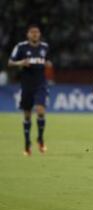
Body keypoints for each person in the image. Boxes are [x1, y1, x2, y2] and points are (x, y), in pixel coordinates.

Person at [8, 24, 51, 156]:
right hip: (27, 85)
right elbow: (10, 62)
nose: (35, 34)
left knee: (40, 110)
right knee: (27, 115)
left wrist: (48, 64)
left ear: (39, 34)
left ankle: (40, 138)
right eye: (32, 32)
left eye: (37, 32)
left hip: (40, 85)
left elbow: (48, 62)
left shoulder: (45, 47)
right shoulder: (21, 47)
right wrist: (20, 63)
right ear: (28, 34)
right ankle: (27, 143)